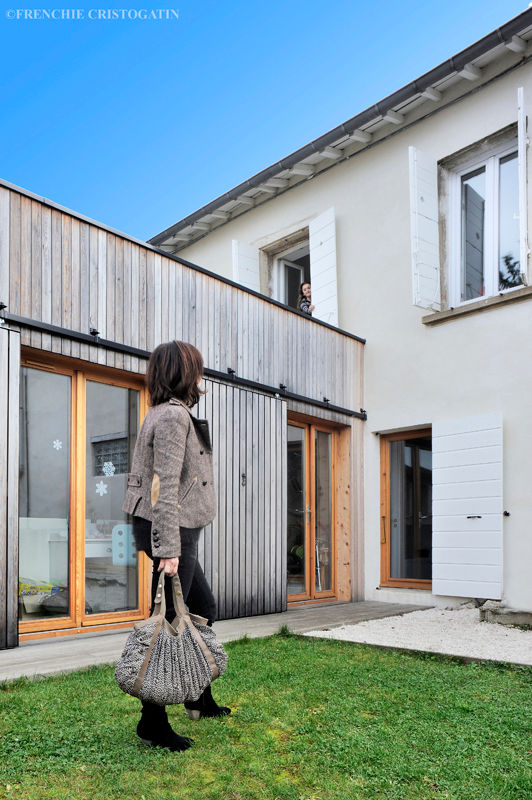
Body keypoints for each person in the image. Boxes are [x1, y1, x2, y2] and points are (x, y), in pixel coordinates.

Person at [121, 340, 231, 753]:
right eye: (198, 369)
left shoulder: (168, 413)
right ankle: (152, 722)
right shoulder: (170, 416)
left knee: (203, 608)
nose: (202, 377)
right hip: (172, 531)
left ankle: (196, 694)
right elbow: (163, 485)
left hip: (178, 529)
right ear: (185, 373)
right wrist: (168, 548)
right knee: (167, 624)